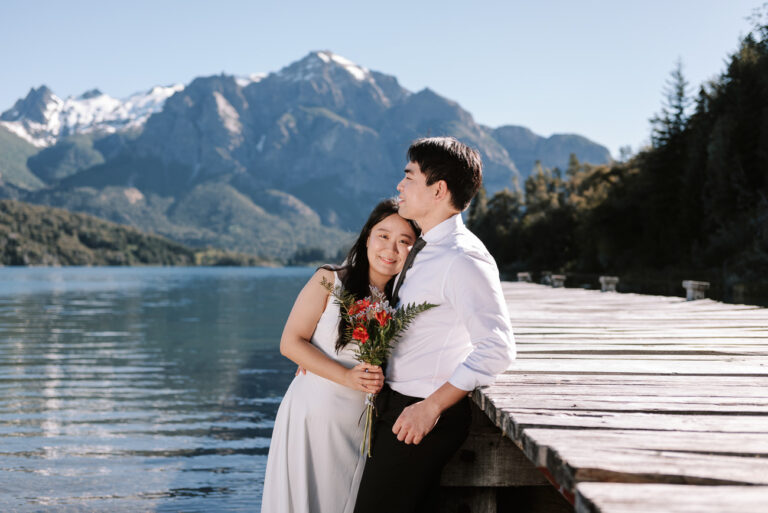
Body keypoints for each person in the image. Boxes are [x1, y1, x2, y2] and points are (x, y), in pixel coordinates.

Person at [353, 137, 516, 513]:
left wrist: (430, 408)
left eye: (409, 177)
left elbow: (498, 347)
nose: (400, 185)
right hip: (396, 404)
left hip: (422, 411)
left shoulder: (463, 257)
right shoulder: (426, 247)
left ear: (438, 190)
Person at [261, 199, 420, 513]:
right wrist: (344, 374)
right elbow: (291, 343)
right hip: (314, 411)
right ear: (366, 238)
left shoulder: (405, 302)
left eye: (405, 242)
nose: (391, 248)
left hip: (362, 421)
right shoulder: (329, 278)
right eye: (383, 236)